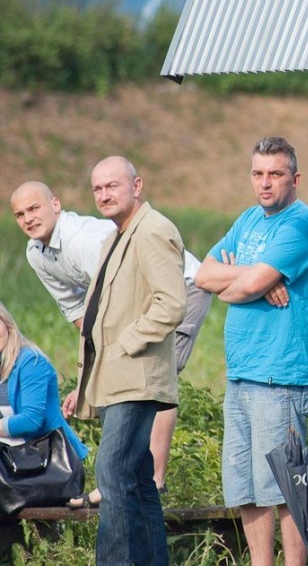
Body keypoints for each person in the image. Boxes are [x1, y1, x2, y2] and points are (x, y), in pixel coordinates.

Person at [10, 180, 211, 504]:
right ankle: (123, 475)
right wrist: (92, 375)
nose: (28, 218)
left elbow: (127, 295)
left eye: (34, 208)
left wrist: (107, 366)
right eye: (20, 214)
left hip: (178, 287)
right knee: (118, 381)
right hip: (129, 303)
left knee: (154, 376)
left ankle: (152, 480)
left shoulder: (84, 241)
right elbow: (82, 315)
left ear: (56, 204)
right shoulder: (36, 253)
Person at [194, 136, 308, 566]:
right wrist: (255, 278)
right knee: (247, 489)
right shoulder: (248, 220)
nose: (265, 183)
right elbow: (203, 276)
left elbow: (238, 287)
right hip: (241, 374)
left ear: (295, 178)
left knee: (284, 489)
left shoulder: (302, 224)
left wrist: (244, 285)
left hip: (281, 376)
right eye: (258, 174)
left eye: (275, 174)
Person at [65, 156, 186, 565]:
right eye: (97, 188)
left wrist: (124, 344)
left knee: (113, 472)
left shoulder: (153, 229)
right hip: (117, 377)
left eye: (112, 186)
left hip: (136, 374)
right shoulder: (116, 235)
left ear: (137, 186)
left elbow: (171, 303)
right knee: (135, 479)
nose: (103, 195)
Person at [0, 302, 88, 463]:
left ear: (5, 322)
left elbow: (31, 420)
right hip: (14, 456)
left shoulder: (31, 362)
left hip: (51, 460)